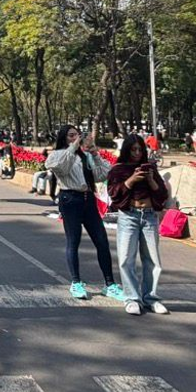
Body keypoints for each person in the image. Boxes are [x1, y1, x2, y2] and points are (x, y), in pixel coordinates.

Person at [46, 125, 126, 302]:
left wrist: (95, 153)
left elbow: (104, 174)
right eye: (71, 135)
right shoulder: (57, 155)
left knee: (101, 240)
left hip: (88, 199)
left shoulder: (85, 157)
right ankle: (76, 282)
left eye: (77, 135)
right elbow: (62, 168)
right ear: (63, 138)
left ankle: (110, 284)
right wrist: (74, 146)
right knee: (73, 241)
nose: (76, 138)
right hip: (70, 199)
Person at [108, 134, 170, 316]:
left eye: (139, 149)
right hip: (129, 216)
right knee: (126, 258)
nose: (136, 153)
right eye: (133, 149)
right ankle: (132, 298)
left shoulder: (150, 168)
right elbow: (114, 193)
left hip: (149, 216)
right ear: (126, 150)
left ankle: (151, 298)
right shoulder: (118, 170)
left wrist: (150, 179)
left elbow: (161, 195)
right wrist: (131, 180)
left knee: (152, 260)